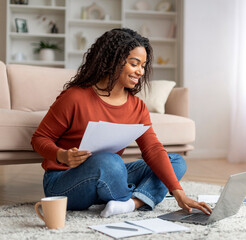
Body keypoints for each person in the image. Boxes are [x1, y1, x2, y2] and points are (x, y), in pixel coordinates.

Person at [31, 28, 212, 218]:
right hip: (64, 181)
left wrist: (179, 193)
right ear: (112, 61)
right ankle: (134, 197)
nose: (140, 71)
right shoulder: (75, 97)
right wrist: (62, 155)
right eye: (135, 64)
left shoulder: (137, 107)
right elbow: (39, 139)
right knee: (111, 161)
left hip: (108, 174)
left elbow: (152, 149)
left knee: (175, 161)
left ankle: (130, 203)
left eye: (143, 65)